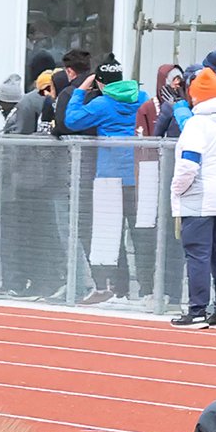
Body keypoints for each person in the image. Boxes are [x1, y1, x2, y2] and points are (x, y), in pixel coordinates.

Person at [64, 58, 150, 303]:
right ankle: (147, 291)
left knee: (109, 235)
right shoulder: (142, 97)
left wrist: (81, 90)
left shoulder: (102, 103)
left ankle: (115, 289)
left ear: (99, 82)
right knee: (142, 235)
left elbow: (72, 120)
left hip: (109, 179)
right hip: (139, 176)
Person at [168, 68, 216, 329]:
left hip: (200, 197)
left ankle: (197, 310)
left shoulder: (196, 124)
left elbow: (189, 164)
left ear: (195, 96)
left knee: (198, 254)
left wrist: (177, 189)